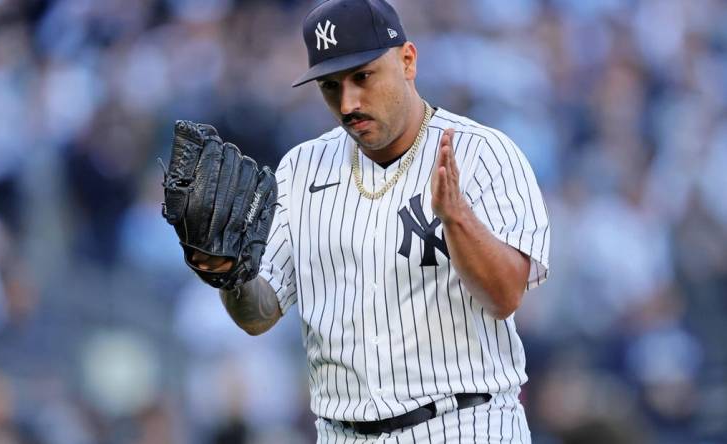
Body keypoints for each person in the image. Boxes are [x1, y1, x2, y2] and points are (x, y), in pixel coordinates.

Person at [188, 0, 550, 442]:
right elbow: (259, 315)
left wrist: (457, 220)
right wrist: (229, 272)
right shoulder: (301, 169)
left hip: (464, 423)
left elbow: (505, 296)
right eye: (330, 86)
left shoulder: (482, 154)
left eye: (362, 77)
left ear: (408, 60)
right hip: (342, 432)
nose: (348, 102)